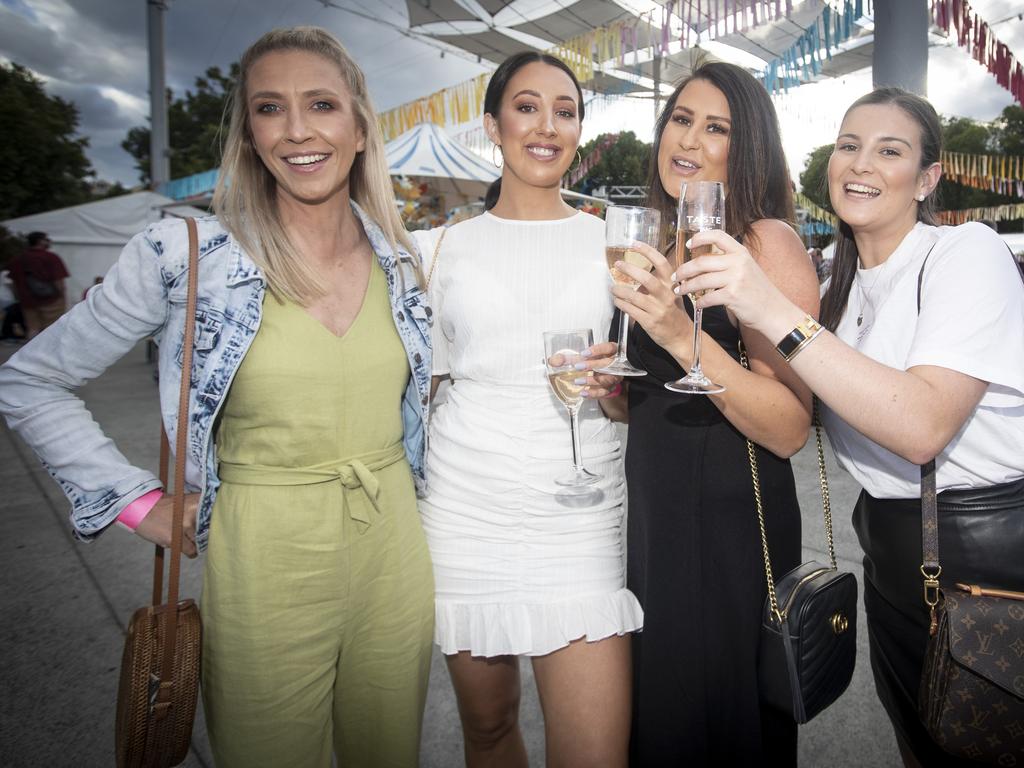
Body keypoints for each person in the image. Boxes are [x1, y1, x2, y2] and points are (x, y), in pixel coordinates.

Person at [0, 27, 435, 768]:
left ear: (360, 127)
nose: (297, 130)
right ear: (250, 133)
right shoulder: (187, 254)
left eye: (321, 104)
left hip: (394, 552)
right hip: (261, 555)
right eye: (271, 109)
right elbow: (29, 378)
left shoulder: (403, 261)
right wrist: (138, 503)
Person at [674, 87, 1024, 767]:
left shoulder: (964, 254)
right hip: (895, 569)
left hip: (985, 567)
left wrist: (769, 307)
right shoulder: (843, 287)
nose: (861, 164)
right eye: (847, 145)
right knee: (924, 747)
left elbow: (922, 424)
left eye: (890, 151)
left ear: (926, 179)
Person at [412, 52, 642, 767]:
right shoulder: (434, 248)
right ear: (493, 124)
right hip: (464, 508)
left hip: (581, 509)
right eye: (527, 106)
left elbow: (639, 392)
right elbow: (430, 385)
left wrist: (616, 389)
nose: (547, 125)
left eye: (566, 110)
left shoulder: (618, 243)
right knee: (487, 730)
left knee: (596, 754)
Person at [607, 61, 819, 765]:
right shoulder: (658, 240)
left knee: (715, 730)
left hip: (726, 533)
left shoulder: (766, 243)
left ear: (747, 145)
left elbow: (791, 424)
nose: (688, 139)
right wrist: (603, 386)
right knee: (661, 724)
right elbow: (648, 399)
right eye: (681, 118)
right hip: (656, 525)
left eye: (716, 127)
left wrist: (673, 331)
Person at [8, 231, 69, 338]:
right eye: (47, 239)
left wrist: (19, 297)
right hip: (51, 300)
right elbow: (58, 281)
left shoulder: (18, 259)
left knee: (32, 328)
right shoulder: (51, 257)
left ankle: (30, 352)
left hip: (27, 301)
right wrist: (62, 296)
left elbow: (13, 282)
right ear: (40, 241)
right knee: (52, 329)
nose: (49, 242)